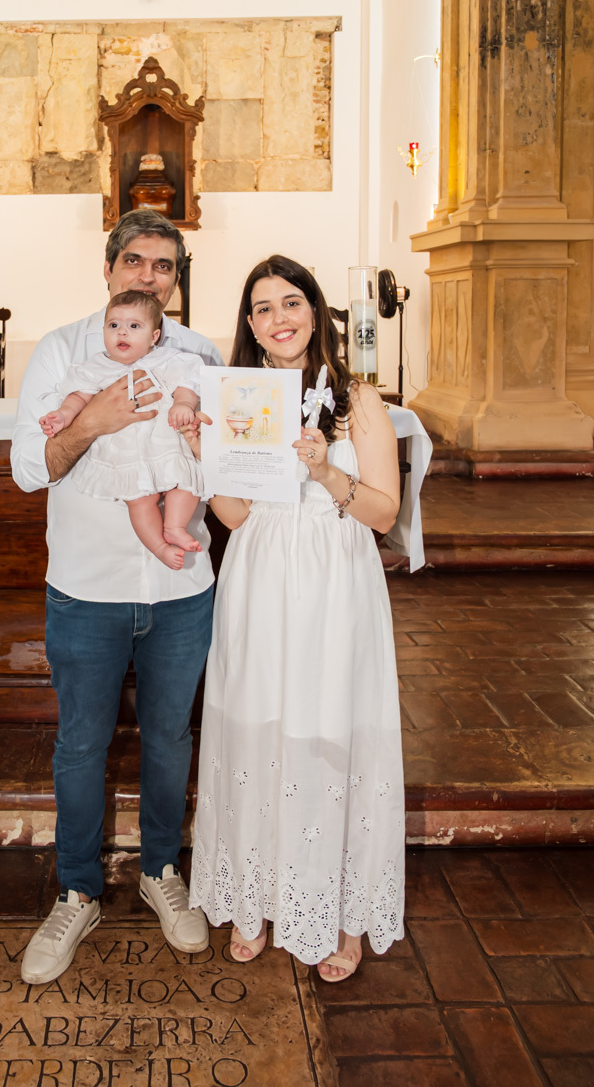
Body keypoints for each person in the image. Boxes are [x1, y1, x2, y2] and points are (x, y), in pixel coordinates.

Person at [11, 209, 221, 985]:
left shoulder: (200, 354)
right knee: (80, 746)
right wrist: (91, 421)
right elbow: (29, 468)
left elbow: (220, 460)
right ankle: (75, 889)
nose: (146, 274)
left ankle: (162, 871)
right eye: (134, 261)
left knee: (169, 741)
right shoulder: (64, 350)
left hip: (178, 587)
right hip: (87, 587)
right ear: (108, 269)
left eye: (163, 266)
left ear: (175, 278)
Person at [186, 255, 405, 982]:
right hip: (260, 574)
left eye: (290, 302)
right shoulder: (243, 396)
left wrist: (323, 470)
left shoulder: (358, 402)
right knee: (258, 725)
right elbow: (236, 517)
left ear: (314, 310)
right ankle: (253, 900)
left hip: (335, 578)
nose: (277, 319)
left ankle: (340, 915)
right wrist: (206, 455)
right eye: (261, 309)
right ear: (248, 325)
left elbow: (382, 512)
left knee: (329, 728)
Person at [40, 289, 205, 570]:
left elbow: (186, 385)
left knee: (187, 485)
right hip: (125, 451)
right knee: (139, 501)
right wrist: (62, 415)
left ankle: (175, 527)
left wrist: (183, 404)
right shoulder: (95, 368)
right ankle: (159, 546)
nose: (122, 333)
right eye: (114, 325)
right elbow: (78, 397)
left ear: (154, 336)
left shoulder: (167, 360)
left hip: (164, 442)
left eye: (134, 326)